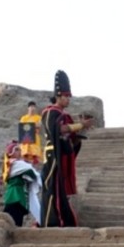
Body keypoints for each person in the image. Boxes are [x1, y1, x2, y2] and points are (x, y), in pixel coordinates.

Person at [41, 71, 94, 227]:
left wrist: (79, 135)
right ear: (59, 96)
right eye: (66, 96)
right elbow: (59, 130)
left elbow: (70, 136)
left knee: (61, 188)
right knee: (53, 187)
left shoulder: (64, 114)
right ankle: (52, 220)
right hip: (53, 156)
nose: (69, 99)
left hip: (63, 156)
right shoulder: (50, 112)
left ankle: (62, 218)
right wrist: (80, 125)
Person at [2, 140, 42, 227]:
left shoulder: (15, 164)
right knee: (14, 220)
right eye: (16, 150)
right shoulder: (15, 164)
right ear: (10, 153)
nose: (19, 152)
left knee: (15, 220)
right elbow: (31, 172)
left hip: (18, 195)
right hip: (15, 195)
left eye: (19, 150)